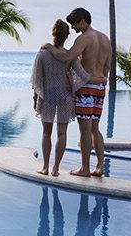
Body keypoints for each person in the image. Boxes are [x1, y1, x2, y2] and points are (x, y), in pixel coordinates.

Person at [43, 8, 111, 177]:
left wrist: (50, 48)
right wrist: (102, 80)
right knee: (96, 128)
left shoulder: (84, 38)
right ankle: (100, 167)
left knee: (85, 130)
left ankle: (85, 169)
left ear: (82, 20)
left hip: (87, 87)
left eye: (74, 24)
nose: (73, 28)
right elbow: (108, 66)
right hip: (100, 86)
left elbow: (67, 58)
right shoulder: (105, 39)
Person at [31, 19, 91, 176]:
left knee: (46, 132)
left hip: (48, 96)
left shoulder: (42, 54)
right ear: (66, 36)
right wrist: (99, 77)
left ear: (53, 34)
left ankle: (45, 167)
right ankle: (56, 168)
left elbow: (36, 80)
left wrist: (36, 97)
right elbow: (83, 76)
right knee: (62, 133)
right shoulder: (69, 56)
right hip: (65, 96)